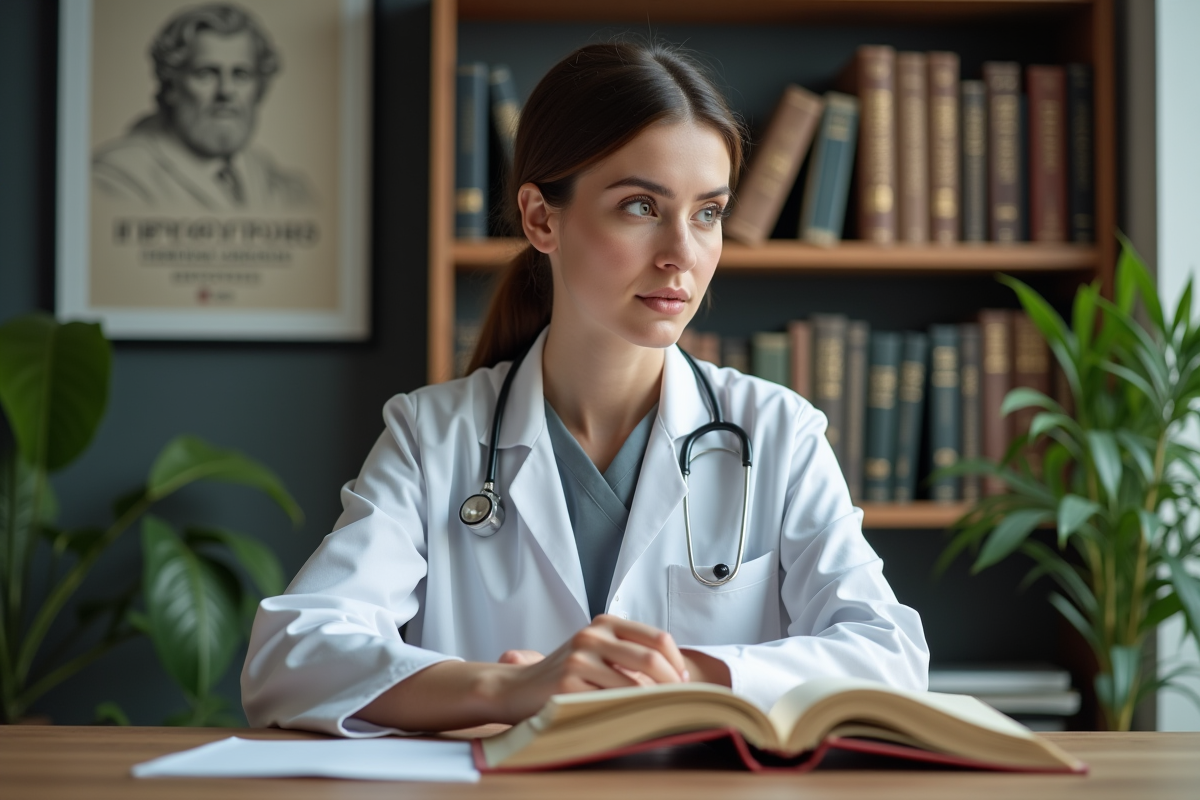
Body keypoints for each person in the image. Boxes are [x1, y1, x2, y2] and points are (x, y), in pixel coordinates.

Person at [241, 41, 928, 736]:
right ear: (543, 219)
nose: (682, 255)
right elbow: (289, 658)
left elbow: (890, 658)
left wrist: (690, 677)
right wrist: (513, 688)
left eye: (708, 213)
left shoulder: (778, 431)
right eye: (640, 206)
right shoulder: (434, 436)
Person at [92, 3, 313, 211]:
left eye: (241, 74)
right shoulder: (116, 179)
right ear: (170, 85)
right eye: (206, 73)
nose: (226, 91)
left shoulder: (277, 183)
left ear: (259, 87)